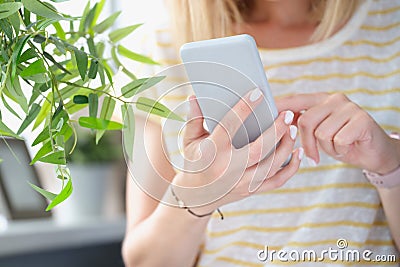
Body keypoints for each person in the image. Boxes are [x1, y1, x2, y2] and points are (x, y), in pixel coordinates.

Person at [122, 0, 400, 266]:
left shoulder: (391, 27)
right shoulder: (160, 47)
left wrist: (391, 163)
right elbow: (146, 263)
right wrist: (199, 191)